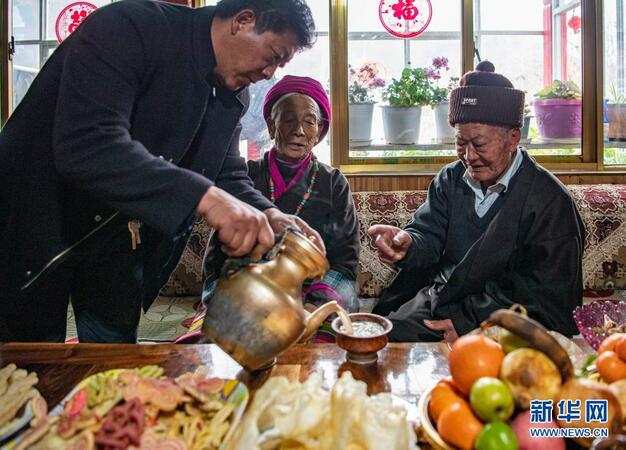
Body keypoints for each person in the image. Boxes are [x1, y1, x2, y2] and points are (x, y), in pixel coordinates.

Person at [0, 0, 324, 343]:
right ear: (243, 21)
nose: (270, 73)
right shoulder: (128, 29)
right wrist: (206, 199)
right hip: (35, 223)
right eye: (273, 55)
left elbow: (226, 172)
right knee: (29, 370)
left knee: (116, 368)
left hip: (118, 240)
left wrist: (269, 213)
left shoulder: (234, 96)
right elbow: (89, 144)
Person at [368, 62, 585, 342]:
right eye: (460, 143)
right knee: (380, 339)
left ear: (513, 138)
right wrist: (408, 244)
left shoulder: (550, 201)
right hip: (440, 302)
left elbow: (549, 294)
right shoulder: (451, 178)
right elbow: (429, 235)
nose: (468, 156)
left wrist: (469, 321)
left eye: (480, 144)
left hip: (502, 320)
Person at [179, 75, 360, 343]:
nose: (298, 129)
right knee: (210, 346)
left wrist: (312, 306)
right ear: (270, 126)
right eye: (287, 119)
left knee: (324, 345)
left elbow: (345, 262)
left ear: (319, 132)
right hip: (248, 291)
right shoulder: (242, 178)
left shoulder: (333, 182)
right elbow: (219, 258)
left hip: (312, 293)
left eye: (309, 121)